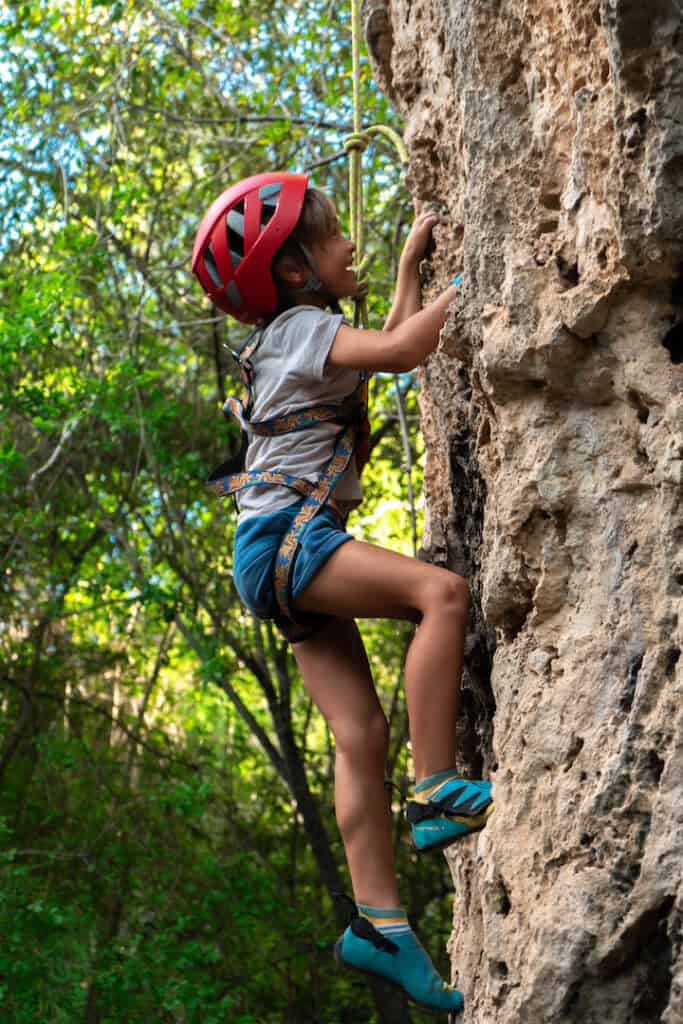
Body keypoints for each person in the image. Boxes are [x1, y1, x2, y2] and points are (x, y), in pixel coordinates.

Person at [192, 172, 493, 1015]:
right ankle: (435, 787)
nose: (348, 242)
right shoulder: (298, 330)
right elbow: (400, 353)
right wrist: (480, 278)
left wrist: (406, 277)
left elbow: (382, 345)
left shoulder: (298, 335)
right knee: (440, 597)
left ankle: (379, 923)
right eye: (333, 237)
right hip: (293, 541)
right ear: (294, 272)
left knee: (358, 733)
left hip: (270, 555)